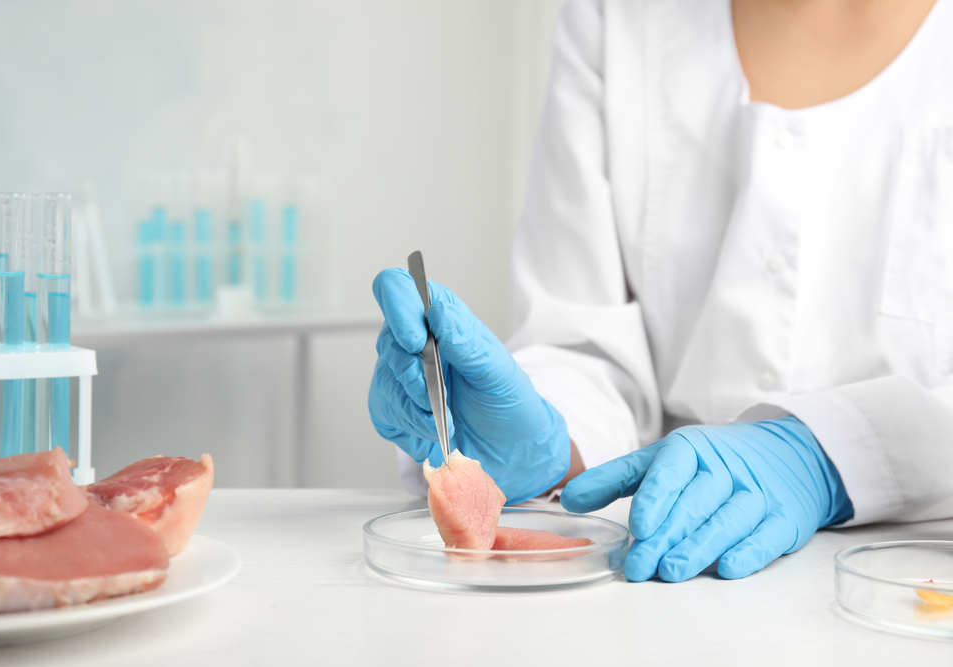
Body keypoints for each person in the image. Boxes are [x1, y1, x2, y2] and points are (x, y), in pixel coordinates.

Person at [368, 0, 953, 582]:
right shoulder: (619, 15)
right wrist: (547, 444)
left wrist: (829, 456)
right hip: (663, 570)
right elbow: (585, 338)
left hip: (910, 584)